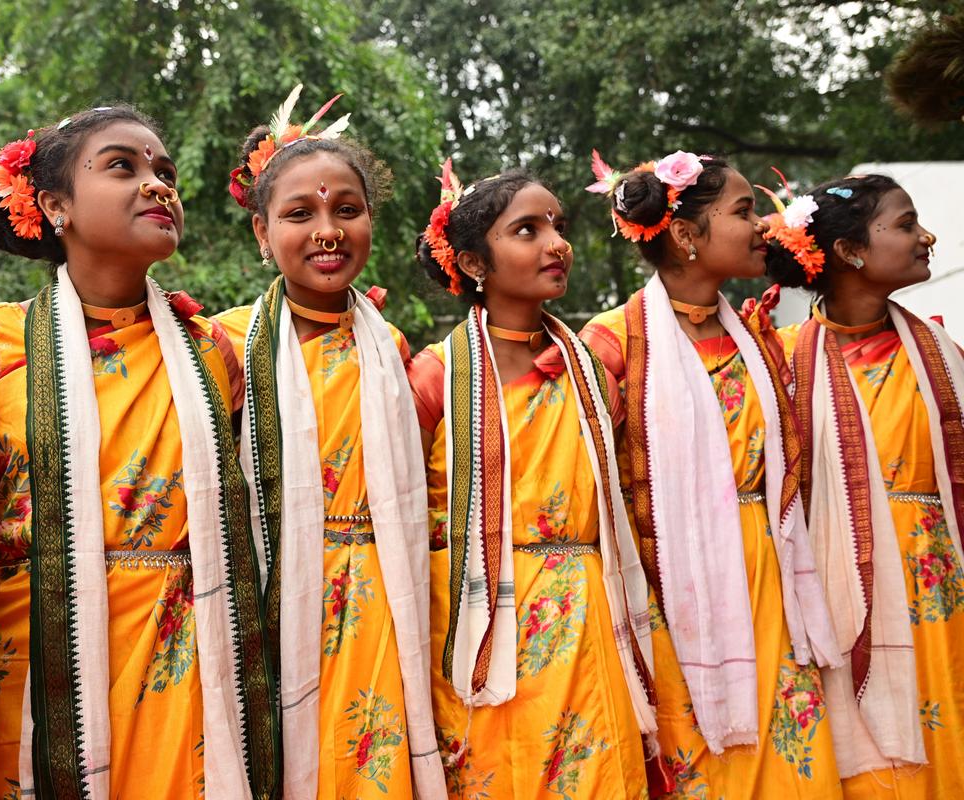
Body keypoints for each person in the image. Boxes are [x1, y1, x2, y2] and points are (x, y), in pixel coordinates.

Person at [0, 106, 277, 799]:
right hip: (33, 662)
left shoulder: (213, 352)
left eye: (164, 171)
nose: (157, 185)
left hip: (184, 651)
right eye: (123, 166)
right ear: (54, 204)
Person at [579, 151, 843, 797]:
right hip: (675, 583)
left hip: (770, 570)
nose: (763, 227)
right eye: (744, 211)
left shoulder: (759, 337)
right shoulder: (613, 344)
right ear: (686, 235)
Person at [216, 85, 447, 800]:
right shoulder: (220, 347)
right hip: (277, 600)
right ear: (260, 234)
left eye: (346, 210)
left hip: (385, 601)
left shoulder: (393, 348)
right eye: (299, 213)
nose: (327, 230)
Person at [406, 162, 657, 799]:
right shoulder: (437, 376)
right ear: (474, 263)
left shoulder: (594, 371)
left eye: (558, 224)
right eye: (527, 229)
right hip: (482, 621)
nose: (556, 242)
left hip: (589, 613)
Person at [757, 173, 961, 798]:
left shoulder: (942, 355)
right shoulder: (781, 362)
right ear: (850, 251)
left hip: (943, 598)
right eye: (904, 225)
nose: (925, 237)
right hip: (839, 599)